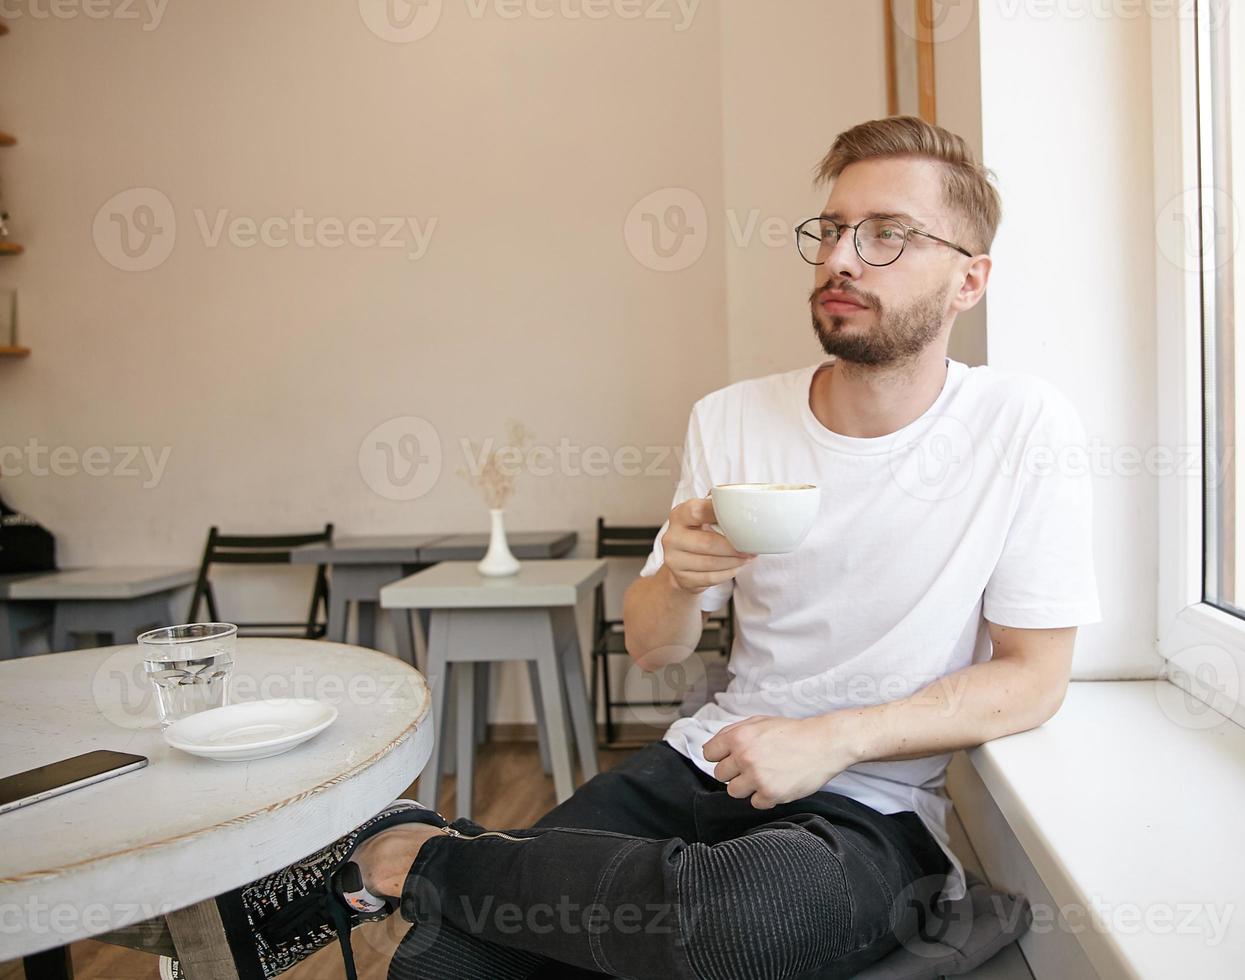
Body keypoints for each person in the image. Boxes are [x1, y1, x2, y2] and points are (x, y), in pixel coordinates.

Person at [164, 114, 1101, 980]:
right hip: (705, 761)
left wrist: (832, 739)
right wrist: (681, 581)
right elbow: (655, 646)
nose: (843, 259)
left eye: (887, 234)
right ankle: (457, 866)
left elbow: (1033, 677)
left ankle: (419, 850)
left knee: (750, 920)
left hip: (870, 809)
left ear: (970, 279)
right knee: (445, 965)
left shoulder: (1021, 425)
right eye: (830, 230)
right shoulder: (733, 417)